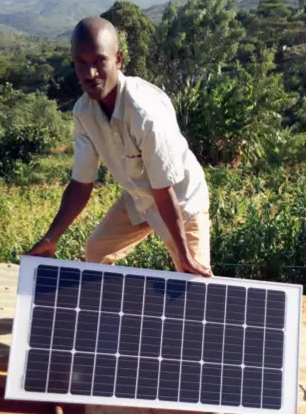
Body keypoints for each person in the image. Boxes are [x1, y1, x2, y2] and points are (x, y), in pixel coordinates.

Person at [26, 17, 213, 277]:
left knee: (195, 280)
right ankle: (104, 315)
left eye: (99, 61)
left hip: (180, 200)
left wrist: (184, 256)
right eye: (82, 63)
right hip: (139, 197)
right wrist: (51, 238)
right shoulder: (84, 112)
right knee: (96, 251)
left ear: (118, 59)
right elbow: (81, 185)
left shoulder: (144, 113)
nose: (90, 74)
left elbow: (163, 190)